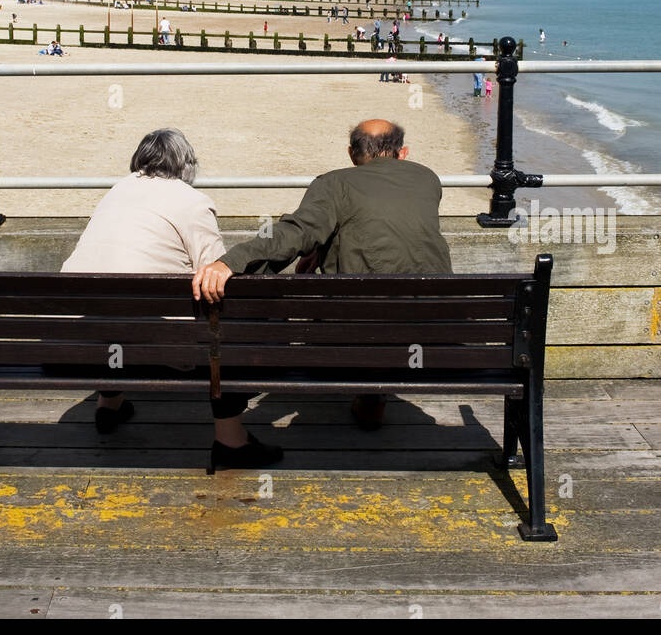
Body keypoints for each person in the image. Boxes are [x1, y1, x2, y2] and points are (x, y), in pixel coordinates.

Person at [193, 119, 452, 432]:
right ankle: (373, 398)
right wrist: (329, 243)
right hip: (434, 331)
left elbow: (295, 233)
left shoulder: (333, 183)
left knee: (356, 308)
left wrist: (231, 262)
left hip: (354, 337)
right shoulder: (427, 179)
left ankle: (367, 395)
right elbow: (386, 230)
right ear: (403, 152)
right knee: (386, 294)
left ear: (351, 154)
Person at [62, 129, 283, 470]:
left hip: (78, 348)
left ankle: (109, 404)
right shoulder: (192, 201)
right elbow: (214, 273)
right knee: (229, 324)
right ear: (187, 165)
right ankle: (231, 440)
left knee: (112, 308)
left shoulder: (117, 191)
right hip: (155, 352)